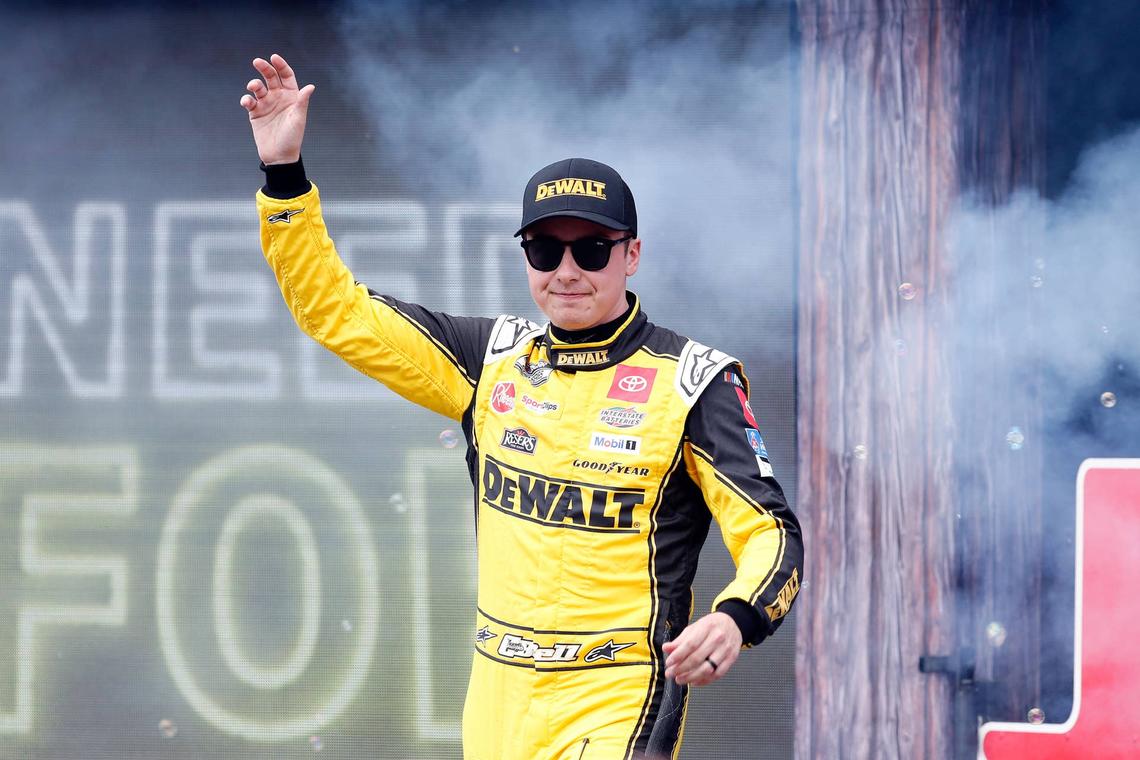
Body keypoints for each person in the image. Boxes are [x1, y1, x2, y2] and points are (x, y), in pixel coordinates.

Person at [241, 53, 803, 760]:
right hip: (498, 698)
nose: (566, 272)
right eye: (543, 250)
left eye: (591, 250)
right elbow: (336, 311)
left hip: (618, 692)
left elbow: (773, 533)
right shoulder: (489, 360)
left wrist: (737, 617)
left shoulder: (696, 382)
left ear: (632, 255)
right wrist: (284, 174)